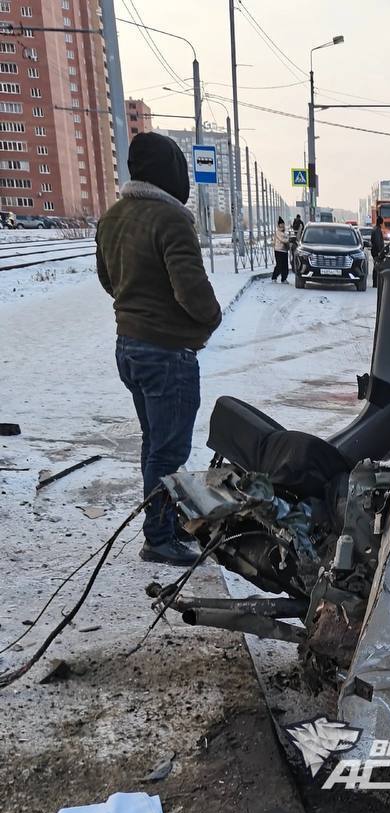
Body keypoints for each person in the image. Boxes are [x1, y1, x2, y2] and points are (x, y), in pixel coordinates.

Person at [95, 131, 221, 567]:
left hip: (128, 348)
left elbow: (107, 280)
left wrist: (134, 308)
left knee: (155, 445)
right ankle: (160, 538)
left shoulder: (113, 217)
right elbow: (192, 290)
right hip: (167, 354)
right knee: (168, 452)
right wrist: (209, 319)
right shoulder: (170, 220)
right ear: (172, 172)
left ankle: (163, 528)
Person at [272, 217, 290, 282]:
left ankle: (284, 279)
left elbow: (287, 240)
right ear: (279, 225)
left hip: (285, 251)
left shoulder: (285, 232)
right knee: (279, 265)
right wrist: (289, 240)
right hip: (278, 250)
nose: (282, 225)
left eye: (283, 223)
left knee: (285, 266)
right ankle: (274, 277)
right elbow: (282, 240)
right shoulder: (277, 232)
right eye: (281, 224)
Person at [370, 214, 385, 288]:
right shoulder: (377, 230)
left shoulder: (375, 229)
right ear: (381, 223)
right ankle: (375, 283)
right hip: (376, 252)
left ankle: (375, 283)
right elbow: (377, 242)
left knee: (376, 266)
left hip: (375, 251)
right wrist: (380, 251)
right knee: (376, 267)